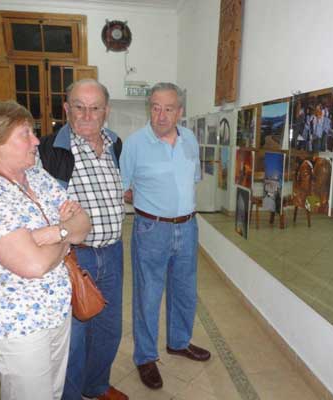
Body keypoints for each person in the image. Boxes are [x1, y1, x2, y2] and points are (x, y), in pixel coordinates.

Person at [0, 101, 91, 400]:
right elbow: (34, 265)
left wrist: (55, 233)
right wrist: (67, 234)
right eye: (25, 134)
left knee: (52, 394)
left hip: (57, 312)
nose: (35, 141)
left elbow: (84, 223)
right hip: (19, 327)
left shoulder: (38, 178)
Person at [38, 79, 128, 400]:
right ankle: (71, 395)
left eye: (95, 108)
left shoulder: (117, 145)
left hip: (114, 251)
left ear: (106, 111)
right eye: (79, 106)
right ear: (66, 108)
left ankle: (96, 386)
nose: (86, 114)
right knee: (75, 336)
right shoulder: (49, 150)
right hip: (75, 256)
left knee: (109, 328)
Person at [120, 82, 211, 390]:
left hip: (187, 226)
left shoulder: (191, 141)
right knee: (148, 294)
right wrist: (143, 198)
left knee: (185, 290)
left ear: (179, 112)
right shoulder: (134, 144)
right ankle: (145, 356)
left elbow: (192, 179)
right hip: (151, 228)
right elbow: (123, 186)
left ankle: (179, 341)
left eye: (168, 108)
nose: (160, 115)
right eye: (155, 107)